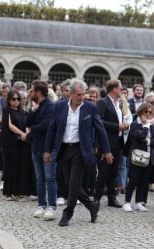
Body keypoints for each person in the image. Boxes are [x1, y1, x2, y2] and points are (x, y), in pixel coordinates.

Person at [44, 79, 113, 227]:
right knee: (70, 184)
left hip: (81, 150)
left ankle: (67, 213)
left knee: (74, 183)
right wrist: (48, 150)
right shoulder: (59, 107)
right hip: (63, 149)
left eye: (84, 94)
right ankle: (91, 205)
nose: (82, 97)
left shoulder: (90, 108)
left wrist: (106, 150)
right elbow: (52, 128)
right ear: (71, 94)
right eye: (79, 95)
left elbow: (100, 129)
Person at [94, 79, 129, 209]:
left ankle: (111, 198)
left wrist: (124, 125)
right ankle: (96, 198)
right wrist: (117, 126)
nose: (122, 91)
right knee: (103, 172)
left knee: (113, 172)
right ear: (114, 89)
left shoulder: (118, 104)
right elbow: (99, 122)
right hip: (106, 143)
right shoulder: (103, 103)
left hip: (117, 142)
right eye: (120, 88)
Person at [26, 80, 58, 220]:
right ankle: (41, 205)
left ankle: (51, 206)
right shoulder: (35, 106)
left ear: (38, 92)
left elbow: (46, 126)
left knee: (50, 177)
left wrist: (32, 129)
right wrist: (33, 111)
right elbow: (26, 122)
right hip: (36, 146)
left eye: (32, 91)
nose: (30, 93)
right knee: (39, 178)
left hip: (48, 147)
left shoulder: (50, 106)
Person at [122, 102, 154, 212]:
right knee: (133, 180)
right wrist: (146, 127)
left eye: (150, 112)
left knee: (143, 181)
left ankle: (138, 202)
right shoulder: (134, 124)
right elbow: (140, 136)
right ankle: (127, 202)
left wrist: (147, 140)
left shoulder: (150, 125)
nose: (148, 114)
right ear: (140, 112)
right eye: (146, 111)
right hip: (137, 156)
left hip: (148, 156)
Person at [1, 90, 33, 201]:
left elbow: (28, 125)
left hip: (23, 143)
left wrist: (27, 134)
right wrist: (22, 133)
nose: (16, 101)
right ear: (9, 100)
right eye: (13, 99)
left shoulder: (23, 112)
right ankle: (8, 192)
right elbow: (10, 125)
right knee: (10, 167)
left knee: (23, 167)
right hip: (11, 142)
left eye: (18, 99)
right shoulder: (6, 111)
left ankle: (22, 192)